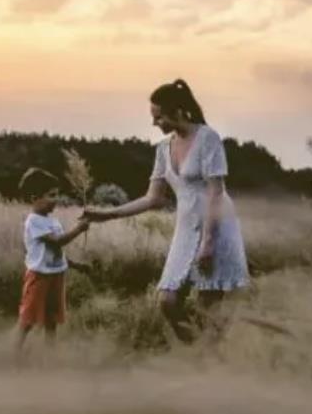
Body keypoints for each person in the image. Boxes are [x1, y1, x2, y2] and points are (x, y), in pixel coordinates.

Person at [83, 79, 249, 341]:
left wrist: (208, 243)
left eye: (159, 117)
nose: (155, 123)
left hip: (214, 225)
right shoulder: (163, 149)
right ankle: (198, 347)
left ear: (179, 111)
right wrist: (106, 215)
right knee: (167, 301)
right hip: (185, 229)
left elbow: (215, 193)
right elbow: (153, 198)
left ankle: (211, 359)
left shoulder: (208, 138)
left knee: (209, 304)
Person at [17, 170, 91, 360]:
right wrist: (79, 229)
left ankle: (50, 352)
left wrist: (76, 266)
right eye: (51, 195)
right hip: (40, 276)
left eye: (57, 194)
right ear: (35, 198)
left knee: (52, 317)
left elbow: (57, 253)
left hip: (56, 275)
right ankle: (15, 350)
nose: (56, 199)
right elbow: (58, 242)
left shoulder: (52, 221)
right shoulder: (34, 221)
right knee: (29, 317)